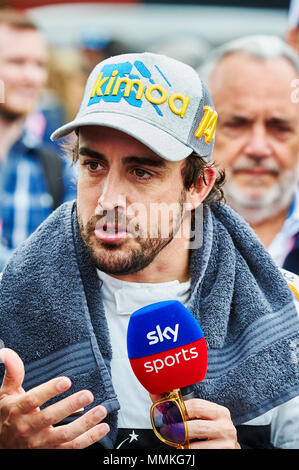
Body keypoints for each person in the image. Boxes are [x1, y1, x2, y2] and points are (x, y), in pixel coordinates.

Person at [0, 51, 298, 450]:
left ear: (198, 185)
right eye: (93, 165)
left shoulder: (284, 313)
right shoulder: (12, 302)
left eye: (141, 172)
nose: (108, 199)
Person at [199, 35, 299, 274]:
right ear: (200, 128)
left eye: (280, 127)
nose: (258, 148)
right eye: (237, 124)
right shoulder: (161, 233)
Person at [0, 10, 76, 271]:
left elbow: (65, 266)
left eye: (39, 65)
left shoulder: (54, 167)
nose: (31, 77)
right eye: (16, 62)